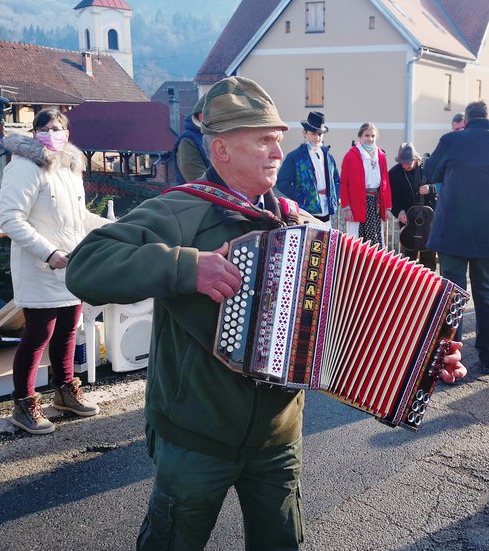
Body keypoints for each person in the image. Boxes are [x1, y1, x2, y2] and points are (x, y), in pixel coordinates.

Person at [66, 76, 467, 549]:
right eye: (263, 140)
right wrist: (185, 267)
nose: (278, 152)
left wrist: (419, 355)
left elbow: (355, 315)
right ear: (221, 150)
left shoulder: (301, 226)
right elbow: (86, 265)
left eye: (278, 139)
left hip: (278, 439)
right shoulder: (177, 213)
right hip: (196, 439)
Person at [0, 108, 108, 435]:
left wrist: (112, 228)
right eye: (45, 128)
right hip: (40, 266)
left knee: (67, 333)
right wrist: (49, 252)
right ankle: (24, 404)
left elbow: (80, 217)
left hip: (71, 266)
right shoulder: (25, 167)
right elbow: (10, 218)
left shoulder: (70, 168)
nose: (52, 133)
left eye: (58, 128)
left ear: (68, 133)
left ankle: (64, 392)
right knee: (37, 336)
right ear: (34, 133)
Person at [424, 100, 489, 375]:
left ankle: (450, 358)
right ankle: (488, 356)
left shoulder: (451, 141)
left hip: (452, 232)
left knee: (453, 297)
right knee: (485, 295)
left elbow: (430, 173)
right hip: (487, 235)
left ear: (466, 120)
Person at [276, 111, 340, 226]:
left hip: (327, 211)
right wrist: (301, 198)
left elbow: (336, 180)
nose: (317, 137)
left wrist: (335, 197)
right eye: (313, 133)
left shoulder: (328, 157)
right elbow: (282, 182)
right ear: (304, 133)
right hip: (306, 212)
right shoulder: (295, 157)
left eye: (320, 134)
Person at [340, 122, 392, 245]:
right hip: (357, 202)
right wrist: (346, 208)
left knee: (375, 238)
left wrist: (387, 207)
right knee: (357, 239)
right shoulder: (350, 156)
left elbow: (385, 183)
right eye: (367, 135)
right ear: (360, 137)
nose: (370, 139)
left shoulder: (381, 156)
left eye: (373, 136)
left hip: (376, 203)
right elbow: (344, 183)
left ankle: (374, 264)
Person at [388, 142, 437, 270]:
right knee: (408, 259)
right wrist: (399, 212)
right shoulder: (394, 173)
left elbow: (441, 188)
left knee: (429, 258)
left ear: (415, 159)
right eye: (402, 162)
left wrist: (430, 189)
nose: (404, 165)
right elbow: (391, 198)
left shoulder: (427, 169)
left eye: (408, 162)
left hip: (428, 221)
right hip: (408, 221)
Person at [173, 94, 211, 183]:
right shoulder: (187, 141)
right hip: (199, 196)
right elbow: (199, 184)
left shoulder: (224, 137)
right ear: (201, 115)